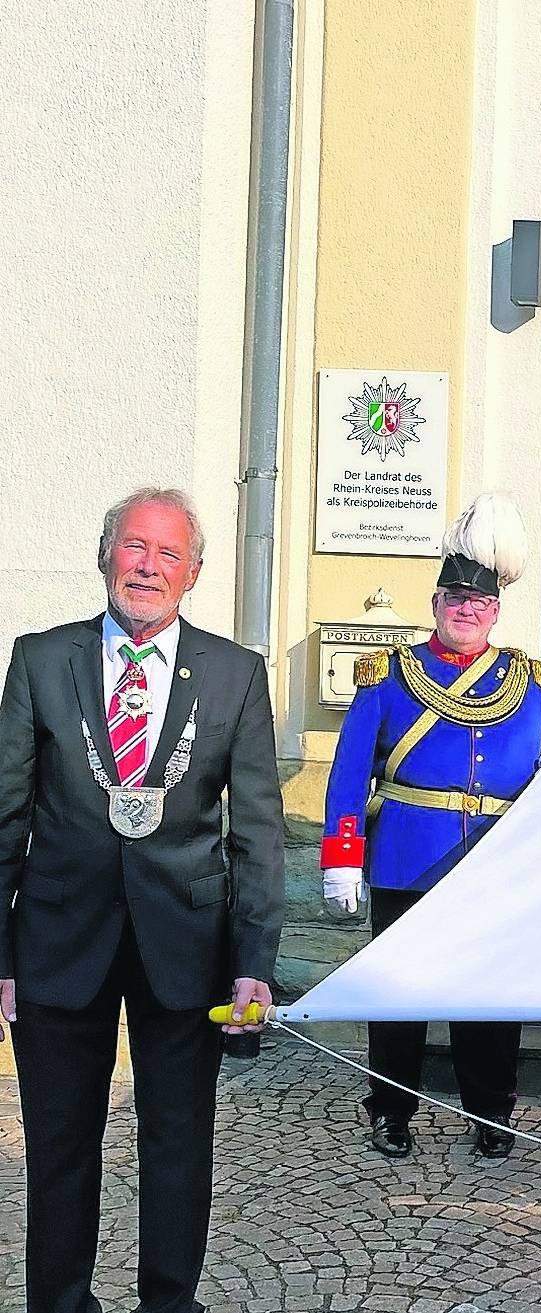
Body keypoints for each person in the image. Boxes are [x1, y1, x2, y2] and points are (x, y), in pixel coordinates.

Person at [0, 488, 284, 1313]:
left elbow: (258, 830)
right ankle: (59, 1303)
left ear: (193, 571)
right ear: (106, 555)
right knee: (57, 1147)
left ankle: (169, 1302)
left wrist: (253, 964)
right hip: (57, 939)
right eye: (134, 546)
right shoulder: (40, 659)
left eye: (167, 553)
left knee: (176, 1143)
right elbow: (5, 813)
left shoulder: (235, 674)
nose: (147, 566)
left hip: (186, 945)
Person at [322, 493, 541, 1161]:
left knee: (489, 994)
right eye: (454, 595)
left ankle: (491, 1110)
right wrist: (341, 856)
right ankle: (391, 1109)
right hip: (407, 855)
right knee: (398, 993)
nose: (466, 607)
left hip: (494, 863)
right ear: (435, 603)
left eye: (478, 601)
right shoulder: (389, 676)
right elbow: (348, 773)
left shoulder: (530, 682)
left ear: (495, 610)